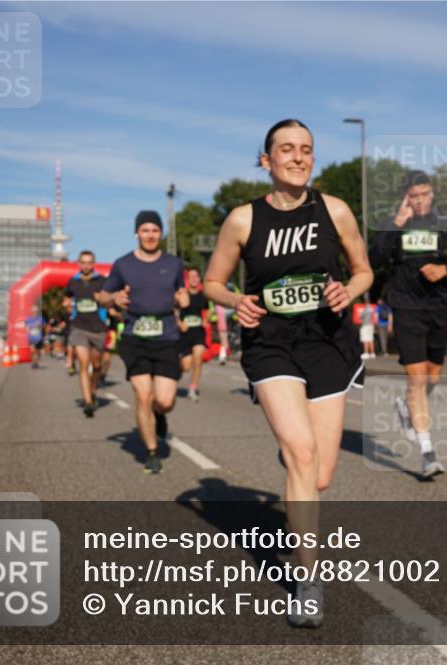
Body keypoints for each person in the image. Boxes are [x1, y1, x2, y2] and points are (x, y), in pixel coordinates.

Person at [204, 119, 372, 628]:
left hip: (327, 345)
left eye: (306, 150)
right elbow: (212, 281)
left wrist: (351, 290)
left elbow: (363, 269)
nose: (297, 157)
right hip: (271, 345)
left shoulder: (335, 210)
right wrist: (237, 300)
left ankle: (295, 453)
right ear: (266, 159)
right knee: (301, 454)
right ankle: (307, 581)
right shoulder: (242, 220)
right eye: (286, 149)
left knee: (318, 474)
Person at [369, 170, 447, 478]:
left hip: (438, 307)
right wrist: (396, 224)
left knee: (432, 378)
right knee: (416, 378)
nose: (420, 201)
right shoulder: (394, 224)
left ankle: (405, 406)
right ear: (406, 197)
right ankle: (428, 452)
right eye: (414, 196)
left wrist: (445, 269)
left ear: (432, 194)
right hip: (405, 307)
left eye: (425, 194)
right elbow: (373, 259)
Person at [96, 210, 188, 475]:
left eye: (155, 230)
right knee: (143, 395)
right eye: (145, 230)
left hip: (167, 336)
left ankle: (160, 415)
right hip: (135, 337)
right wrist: (112, 299)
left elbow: (181, 293)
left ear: (161, 233)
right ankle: (151, 451)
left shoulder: (174, 264)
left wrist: (182, 300)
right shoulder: (123, 264)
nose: (150, 235)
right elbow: (102, 295)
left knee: (165, 400)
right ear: (136, 233)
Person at [64, 251, 107, 417]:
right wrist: (67, 303)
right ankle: (88, 402)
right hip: (79, 326)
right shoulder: (73, 282)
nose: (86, 265)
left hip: (98, 328)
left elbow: (110, 299)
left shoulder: (102, 281)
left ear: (94, 263)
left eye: (89, 262)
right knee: (84, 364)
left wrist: (102, 298)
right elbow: (67, 298)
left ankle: (93, 388)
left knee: (96, 366)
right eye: (83, 262)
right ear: (78, 263)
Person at [177, 267, 209, 401]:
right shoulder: (182, 295)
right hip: (184, 334)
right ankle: (174, 373)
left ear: (199, 279)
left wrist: (205, 320)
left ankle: (192, 388)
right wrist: (179, 323)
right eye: (191, 276)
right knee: (185, 366)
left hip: (198, 333)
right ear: (187, 279)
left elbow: (207, 310)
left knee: (198, 358)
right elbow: (173, 312)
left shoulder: (204, 296)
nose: (194, 279)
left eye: (196, 276)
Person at [24, 304, 46, 369]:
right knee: (32, 350)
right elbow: (26, 327)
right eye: (33, 311)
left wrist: (40, 326)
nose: (34, 312)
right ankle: (34, 363)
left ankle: (37, 362)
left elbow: (44, 326)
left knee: (38, 351)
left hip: (39, 337)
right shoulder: (28, 319)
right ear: (31, 311)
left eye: (35, 311)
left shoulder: (40, 318)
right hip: (31, 338)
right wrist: (28, 330)